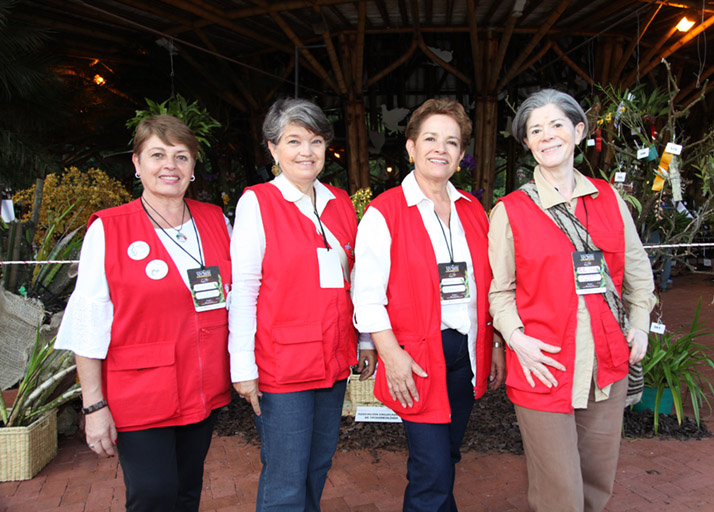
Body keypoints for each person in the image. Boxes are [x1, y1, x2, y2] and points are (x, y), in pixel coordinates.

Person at [488, 89, 656, 512]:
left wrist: (639, 324)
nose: (547, 136)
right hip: (544, 366)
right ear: (527, 143)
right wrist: (516, 339)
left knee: (597, 483)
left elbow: (637, 272)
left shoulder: (610, 200)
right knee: (559, 493)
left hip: (607, 364)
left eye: (557, 125)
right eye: (536, 130)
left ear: (578, 131)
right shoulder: (510, 211)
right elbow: (500, 291)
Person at [56, 115, 232, 511]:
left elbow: (236, 297)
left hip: (202, 386)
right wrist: (94, 406)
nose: (170, 165)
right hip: (139, 394)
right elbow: (89, 323)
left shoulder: (216, 220)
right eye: (157, 155)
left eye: (181, 156)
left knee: (187, 492)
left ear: (192, 168)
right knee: (153, 495)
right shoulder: (109, 229)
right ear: (136, 164)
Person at [353, 98, 506, 511]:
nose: (441, 148)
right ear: (411, 147)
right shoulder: (384, 212)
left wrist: (494, 346)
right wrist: (391, 354)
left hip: (466, 353)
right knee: (433, 468)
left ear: (461, 154)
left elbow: (490, 287)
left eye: (452, 141)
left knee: (445, 459)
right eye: (431, 138)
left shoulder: (474, 210)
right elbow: (366, 296)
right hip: (416, 357)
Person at [228, 98, 376, 512]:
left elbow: (356, 281)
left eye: (315, 141)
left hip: (332, 359)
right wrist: (242, 366)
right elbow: (243, 288)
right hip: (281, 365)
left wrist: (364, 339)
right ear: (273, 149)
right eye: (293, 141)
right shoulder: (258, 202)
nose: (305, 152)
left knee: (317, 465)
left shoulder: (340, 203)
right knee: (286, 474)